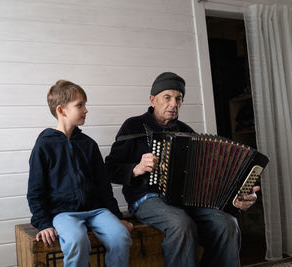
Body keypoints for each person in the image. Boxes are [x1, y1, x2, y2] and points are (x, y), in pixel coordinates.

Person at [105, 72, 260, 267]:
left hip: (188, 200)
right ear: (153, 100)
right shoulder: (133, 126)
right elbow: (110, 169)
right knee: (181, 224)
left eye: (178, 98)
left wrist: (238, 196)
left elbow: (211, 175)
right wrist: (137, 168)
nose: (173, 103)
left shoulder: (188, 133)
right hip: (147, 199)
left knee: (227, 224)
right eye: (167, 97)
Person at [27, 79, 133, 267]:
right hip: (63, 213)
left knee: (120, 236)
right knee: (77, 241)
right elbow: (36, 190)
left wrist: (117, 217)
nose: (86, 110)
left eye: (85, 105)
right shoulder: (44, 145)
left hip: (96, 210)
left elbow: (103, 185)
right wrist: (43, 223)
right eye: (80, 105)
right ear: (61, 110)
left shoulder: (88, 144)